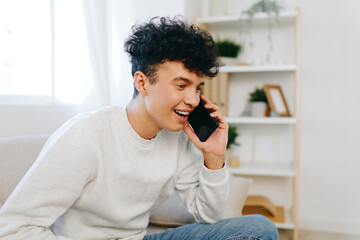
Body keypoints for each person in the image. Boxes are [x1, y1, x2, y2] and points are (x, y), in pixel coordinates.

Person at [0, 16, 278, 240]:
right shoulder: (86, 135)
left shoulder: (179, 138)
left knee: (258, 229)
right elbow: (13, 227)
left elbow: (210, 216)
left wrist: (214, 158)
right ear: (142, 83)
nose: (193, 100)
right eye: (181, 86)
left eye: (198, 87)